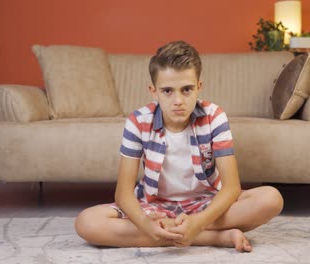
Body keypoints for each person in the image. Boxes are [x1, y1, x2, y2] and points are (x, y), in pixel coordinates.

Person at [74, 40, 284, 252]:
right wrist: (146, 223)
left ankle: (183, 231)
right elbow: (123, 193)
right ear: (153, 91)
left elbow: (231, 188)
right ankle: (212, 237)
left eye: (186, 89)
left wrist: (198, 221)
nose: (178, 101)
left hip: (206, 204)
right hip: (154, 207)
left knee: (271, 199)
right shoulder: (138, 121)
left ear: (199, 87)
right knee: (87, 222)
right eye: (167, 91)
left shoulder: (214, 117)